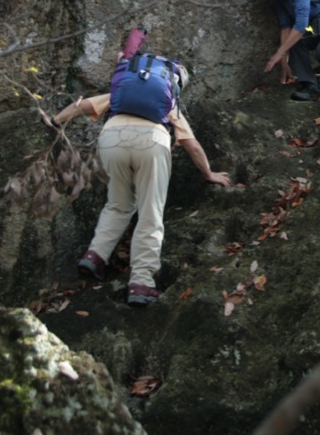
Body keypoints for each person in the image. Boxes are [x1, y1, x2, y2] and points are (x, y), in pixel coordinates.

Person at [41, 61, 231, 307]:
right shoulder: (168, 103)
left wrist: (56, 121)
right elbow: (191, 144)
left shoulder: (122, 94)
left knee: (119, 203)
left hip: (111, 139)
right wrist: (208, 173)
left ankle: (95, 256)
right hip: (152, 141)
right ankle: (141, 283)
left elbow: (83, 105)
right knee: (150, 212)